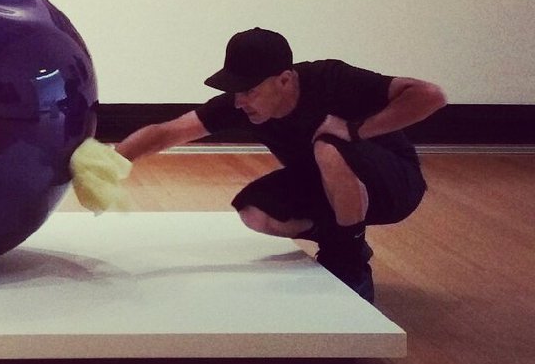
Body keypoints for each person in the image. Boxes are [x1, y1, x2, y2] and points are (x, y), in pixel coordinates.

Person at [113, 27, 446, 300]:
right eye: (235, 91)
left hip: (394, 185)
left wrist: (354, 129)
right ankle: (339, 239)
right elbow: (166, 133)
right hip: (327, 185)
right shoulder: (240, 104)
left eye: (249, 90)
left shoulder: (332, 79)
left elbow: (430, 95)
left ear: (285, 80)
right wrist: (109, 163)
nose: (240, 101)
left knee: (329, 145)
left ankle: (350, 259)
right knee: (256, 213)